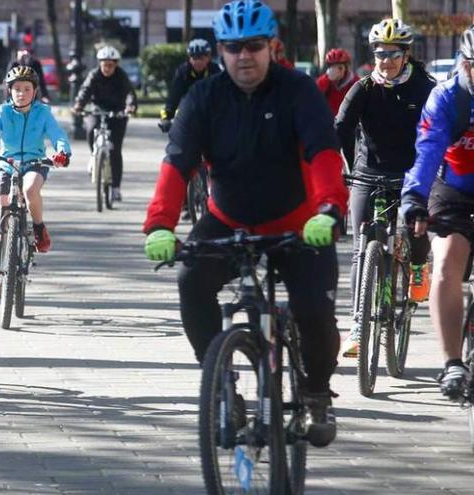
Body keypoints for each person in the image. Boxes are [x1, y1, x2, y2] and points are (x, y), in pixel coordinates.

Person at [143, 0, 348, 447]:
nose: (244, 56)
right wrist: (160, 224)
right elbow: (177, 163)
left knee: (314, 309)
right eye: (233, 48)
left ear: (271, 46)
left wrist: (329, 210)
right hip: (226, 218)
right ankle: (222, 384)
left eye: (254, 46)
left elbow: (322, 153)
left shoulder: (298, 91)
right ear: (220, 51)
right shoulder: (204, 97)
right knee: (190, 281)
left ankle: (315, 391)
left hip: (298, 223)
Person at [335, 19, 434, 357]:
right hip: (368, 174)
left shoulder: (425, 88)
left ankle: (418, 266)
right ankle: (357, 326)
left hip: (411, 175)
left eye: (393, 54)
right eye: (380, 53)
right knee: (362, 249)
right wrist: (345, 167)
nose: (386, 61)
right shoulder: (362, 88)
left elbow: (437, 134)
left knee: (415, 228)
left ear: (406, 55)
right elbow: (340, 129)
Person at [401, 27, 474, 399]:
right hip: (454, 189)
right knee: (446, 263)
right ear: (466, 64)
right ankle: (452, 364)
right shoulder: (447, 98)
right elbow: (427, 152)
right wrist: (414, 197)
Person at [0, 66, 71, 300]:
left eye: (27, 89)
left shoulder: (43, 112)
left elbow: (57, 135)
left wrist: (62, 152)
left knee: (29, 188)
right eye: (16, 89)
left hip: (36, 161)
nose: (21, 93)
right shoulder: (2, 112)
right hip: (8, 164)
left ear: (35, 91)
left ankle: (39, 228)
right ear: (9, 91)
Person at [73, 45, 138, 203]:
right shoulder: (94, 75)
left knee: (115, 150)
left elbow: (130, 93)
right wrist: (79, 104)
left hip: (118, 113)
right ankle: (94, 154)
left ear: (116, 65)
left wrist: (130, 106)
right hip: (98, 110)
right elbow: (85, 90)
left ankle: (115, 189)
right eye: (104, 65)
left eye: (110, 65)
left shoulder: (121, 76)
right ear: (99, 64)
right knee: (90, 130)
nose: (107, 68)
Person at [159, 39, 222, 133]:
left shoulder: (216, 71)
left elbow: (224, 96)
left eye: (201, 58)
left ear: (208, 57)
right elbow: (173, 97)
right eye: (194, 58)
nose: (197, 62)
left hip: (211, 118)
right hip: (189, 117)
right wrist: (166, 118)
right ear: (189, 58)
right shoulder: (183, 72)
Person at [316, 48, 359, 117]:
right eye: (332, 67)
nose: (336, 70)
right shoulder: (322, 81)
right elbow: (315, 100)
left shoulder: (355, 83)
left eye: (340, 67)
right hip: (327, 123)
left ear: (346, 68)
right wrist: (328, 80)